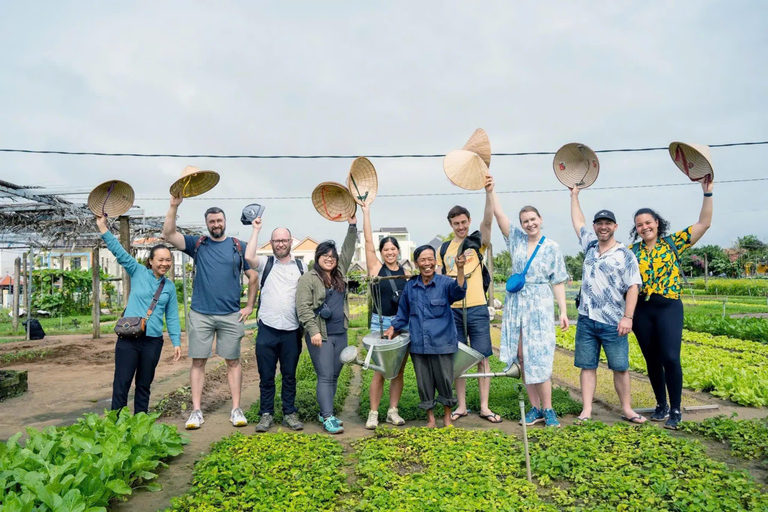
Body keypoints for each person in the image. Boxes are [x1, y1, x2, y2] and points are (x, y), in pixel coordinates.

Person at [162, 196, 258, 430]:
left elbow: (253, 276)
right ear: (207, 224)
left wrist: (249, 306)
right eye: (212, 221)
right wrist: (174, 206)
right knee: (198, 362)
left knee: (233, 362)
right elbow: (168, 235)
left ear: (225, 221)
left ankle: (236, 408)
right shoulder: (198, 244)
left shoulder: (238, 246)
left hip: (230, 314)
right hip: (201, 314)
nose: (216, 224)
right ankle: (196, 411)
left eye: (219, 220)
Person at [628, 179, 713, 429]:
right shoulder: (632, 252)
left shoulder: (673, 243)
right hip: (642, 310)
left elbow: (704, 223)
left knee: (670, 357)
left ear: (657, 223)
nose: (644, 227)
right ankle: (661, 404)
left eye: (648, 222)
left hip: (669, 307)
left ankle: (675, 408)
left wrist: (707, 192)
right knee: (651, 360)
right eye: (639, 225)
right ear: (636, 229)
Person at [485, 175, 569, 427]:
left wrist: (563, 311)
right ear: (521, 225)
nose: (529, 224)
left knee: (540, 355)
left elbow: (558, 281)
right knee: (522, 355)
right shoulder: (517, 241)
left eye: (533, 219)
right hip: (517, 304)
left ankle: (549, 408)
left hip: (540, 304)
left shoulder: (552, 247)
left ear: (540, 220)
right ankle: (535, 409)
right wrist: (491, 191)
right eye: (525, 221)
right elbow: (500, 217)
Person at [570, 188, 646, 425]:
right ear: (595, 227)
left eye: (608, 223)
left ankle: (627, 409)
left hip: (614, 321)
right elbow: (578, 221)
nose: (603, 227)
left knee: (620, 367)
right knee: (587, 366)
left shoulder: (625, 254)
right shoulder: (590, 246)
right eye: (599, 223)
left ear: (615, 226)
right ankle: (586, 410)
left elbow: (633, 286)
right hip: (586, 319)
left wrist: (628, 317)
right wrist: (574, 196)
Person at [96, 215, 181, 414]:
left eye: (168, 260)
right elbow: (119, 251)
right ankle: (116, 424)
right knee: (122, 383)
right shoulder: (137, 271)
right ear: (150, 261)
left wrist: (176, 341)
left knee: (144, 385)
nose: (164, 263)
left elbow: (172, 316)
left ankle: (140, 424)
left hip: (153, 341)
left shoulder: (169, 287)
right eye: (160, 260)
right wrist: (103, 227)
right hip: (129, 337)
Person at [384, 245, 466, 428]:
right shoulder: (411, 286)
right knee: (424, 382)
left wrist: (460, 269)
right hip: (419, 344)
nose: (427, 263)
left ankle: (446, 417)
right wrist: (392, 328)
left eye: (430, 259)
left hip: (442, 342)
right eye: (423, 260)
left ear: (435, 262)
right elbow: (403, 313)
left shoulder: (445, 283)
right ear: (416, 263)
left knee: (445, 380)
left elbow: (459, 291)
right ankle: (430, 419)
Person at [437, 204, 500, 424]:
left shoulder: (476, 244)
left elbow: (488, 222)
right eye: (456, 223)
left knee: (483, 356)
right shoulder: (444, 249)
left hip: (477, 307)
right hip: (453, 310)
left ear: (469, 221)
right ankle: (461, 406)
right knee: (459, 358)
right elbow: (438, 278)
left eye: (464, 222)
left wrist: (488, 192)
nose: (461, 227)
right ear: (451, 224)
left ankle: (484, 406)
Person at [295, 216, 357, 434]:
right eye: (325, 255)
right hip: (320, 335)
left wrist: (352, 226)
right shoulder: (309, 278)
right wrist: (313, 331)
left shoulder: (339, 273)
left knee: (335, 375)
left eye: (332, 256)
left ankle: (325, 411)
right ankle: (328, 417)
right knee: (324, 374)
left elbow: (348, 249)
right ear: (317, 257)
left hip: (340, 333)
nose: (329, 259)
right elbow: (302, 307)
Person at [244, 218, 305, 432]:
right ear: (271, 243)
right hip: (267, 329)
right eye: (276, 240)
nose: (280, 244)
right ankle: (266, 414)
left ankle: (289, 412)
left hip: (292, 331)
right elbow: (249, 256)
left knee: (289, 375)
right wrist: (256, 229)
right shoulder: (265, 264)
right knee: (266, 376)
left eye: (284, 240)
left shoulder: (301, 266)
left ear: (291, 242)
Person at [360, 203, 407, 429]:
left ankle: (393, 410)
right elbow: (368, 243)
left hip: (401, 324)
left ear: (398, 250)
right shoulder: (375, 268)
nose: (390, 252)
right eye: (386, 249)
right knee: (379, 370)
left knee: (398, 370)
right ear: (381, 253)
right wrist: (366, 212)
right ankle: (373, 412)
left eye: (393, 249)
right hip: (380, 323)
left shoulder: (407, 272)